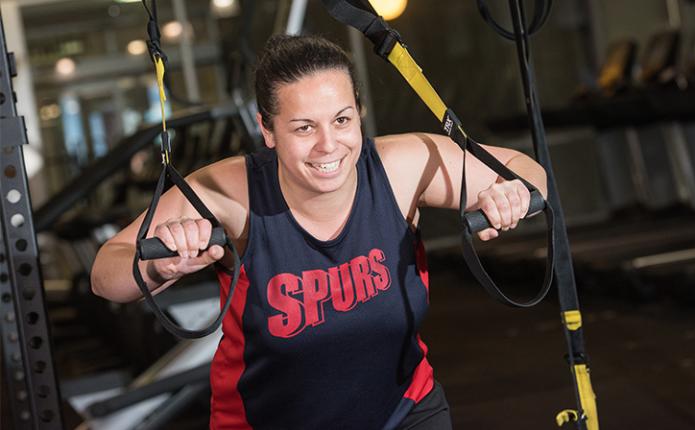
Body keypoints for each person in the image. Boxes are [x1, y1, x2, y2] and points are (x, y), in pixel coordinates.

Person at [91, 34, 546, 430]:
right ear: (266, 129)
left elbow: (529, 171)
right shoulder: (231, 191)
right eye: (304, 127)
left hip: (405, 412)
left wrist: (512, 196)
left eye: (342, 120)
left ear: (359, 114)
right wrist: (160, 265)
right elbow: (107, 273)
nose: (329, 145)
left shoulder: (399, 167)